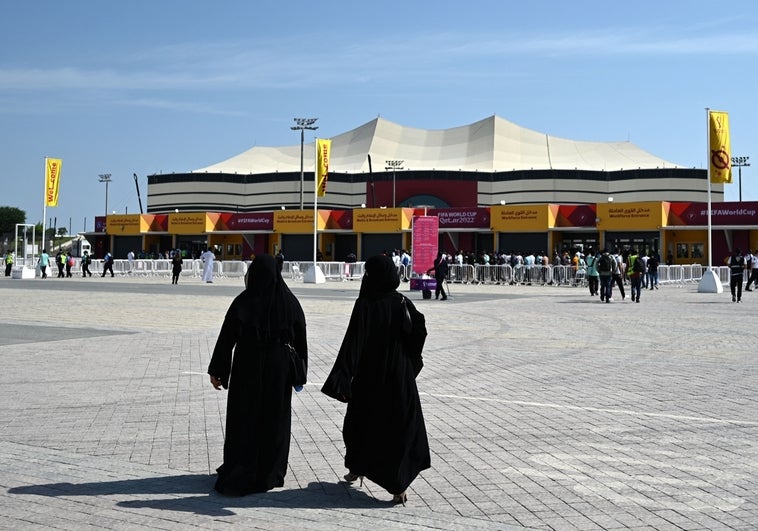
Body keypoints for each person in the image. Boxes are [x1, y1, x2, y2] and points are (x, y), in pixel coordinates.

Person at [321, 254, 430, 505]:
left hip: (369, 376)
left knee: (362, 424)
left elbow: (353, 342)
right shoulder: (401, 302)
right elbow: (419, 330)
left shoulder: (366, 304)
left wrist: (343, 377)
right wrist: (410, 361)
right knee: (398, 428)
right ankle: (398, 486)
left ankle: (358, 466)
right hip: (399, 376)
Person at [207, 254, 308, 496]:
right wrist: (300, 373)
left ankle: (241, 465)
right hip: (279, 369)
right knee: (275, 418)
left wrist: (218, 371)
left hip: (247, 366)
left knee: (245, 416)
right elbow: (300, 341)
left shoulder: (244, 301)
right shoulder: (289, 302)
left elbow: (227, 337)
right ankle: (271, 470)